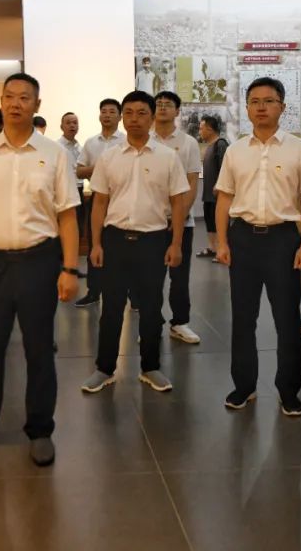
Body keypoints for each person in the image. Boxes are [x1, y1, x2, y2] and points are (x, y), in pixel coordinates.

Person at [0, 72, 80, 467]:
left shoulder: (53, 154)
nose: (16, 103)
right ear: (1, 102)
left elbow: (67, 215)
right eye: (9, 96)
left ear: (37, 105)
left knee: (39, 349)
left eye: (25, 97)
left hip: (40, 260)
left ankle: (40, 429)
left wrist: (69, 269)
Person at [215, 77, 301, 417]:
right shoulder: (235, 151)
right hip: (243, 239)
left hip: (283, 240)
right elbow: (224, 198)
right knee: (243, 317)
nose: (261, 107)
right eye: (255, 101)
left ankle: (288, 390)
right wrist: (222, 241)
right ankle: (244, 386)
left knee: (287, 318)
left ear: (282, 107)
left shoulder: (299, 149)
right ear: (247, 109)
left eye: (269, 101)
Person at [81, 91, 188, 394]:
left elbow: (178, 203)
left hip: (153, 241)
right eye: (128, 112)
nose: (134, 119)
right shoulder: (109, 157)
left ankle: (150, 367)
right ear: (122, 117)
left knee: (152, 308)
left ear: (152, 117)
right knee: (111, 307)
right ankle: (104, 368)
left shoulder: (168, 157)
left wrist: (176, 244)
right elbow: (99, 203)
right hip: (115, 240)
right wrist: (96, 244)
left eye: (141, 113)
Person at [153, 91, 203, 344]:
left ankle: (180, 323)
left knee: (179, 276)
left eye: (168, 104)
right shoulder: (145, 139)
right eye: (158, 104)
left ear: (177, 111)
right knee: (150, 277)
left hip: (182, 222)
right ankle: (151, 324)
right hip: (150, 221)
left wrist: (179, 215)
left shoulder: (188, 142)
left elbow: (192, 182)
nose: (162, 108)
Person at [73, 98, 124, 307]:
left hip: (121, 199)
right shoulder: (91, 142)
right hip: (97, 198)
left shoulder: (126, 141)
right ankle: (93, 291)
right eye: (104, 111)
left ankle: (131, 295)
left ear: (120, 117)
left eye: (112, 111)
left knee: (122, 247)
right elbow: (79, 171)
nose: (107, 115)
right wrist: (101, 168)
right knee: (95, 243)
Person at [197, 115, 229, 260]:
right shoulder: (209, 146)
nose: (199, 132)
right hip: (208, 194)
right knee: (209, 221)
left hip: (218, 195)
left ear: (209, 129)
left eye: (201, 128)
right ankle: (212, 248)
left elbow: (226, 168)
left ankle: (223, 249)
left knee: (220, 223)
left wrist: (219, 185)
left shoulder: (221, 144)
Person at [58, 112, 85, 240]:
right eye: (68, 123)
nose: (72, 125)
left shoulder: (80, 147)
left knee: (78, 226)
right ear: (61, 126)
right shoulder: (57, 147)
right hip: (63, 191)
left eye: (75, 123)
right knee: (64, 227)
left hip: (79, 189)